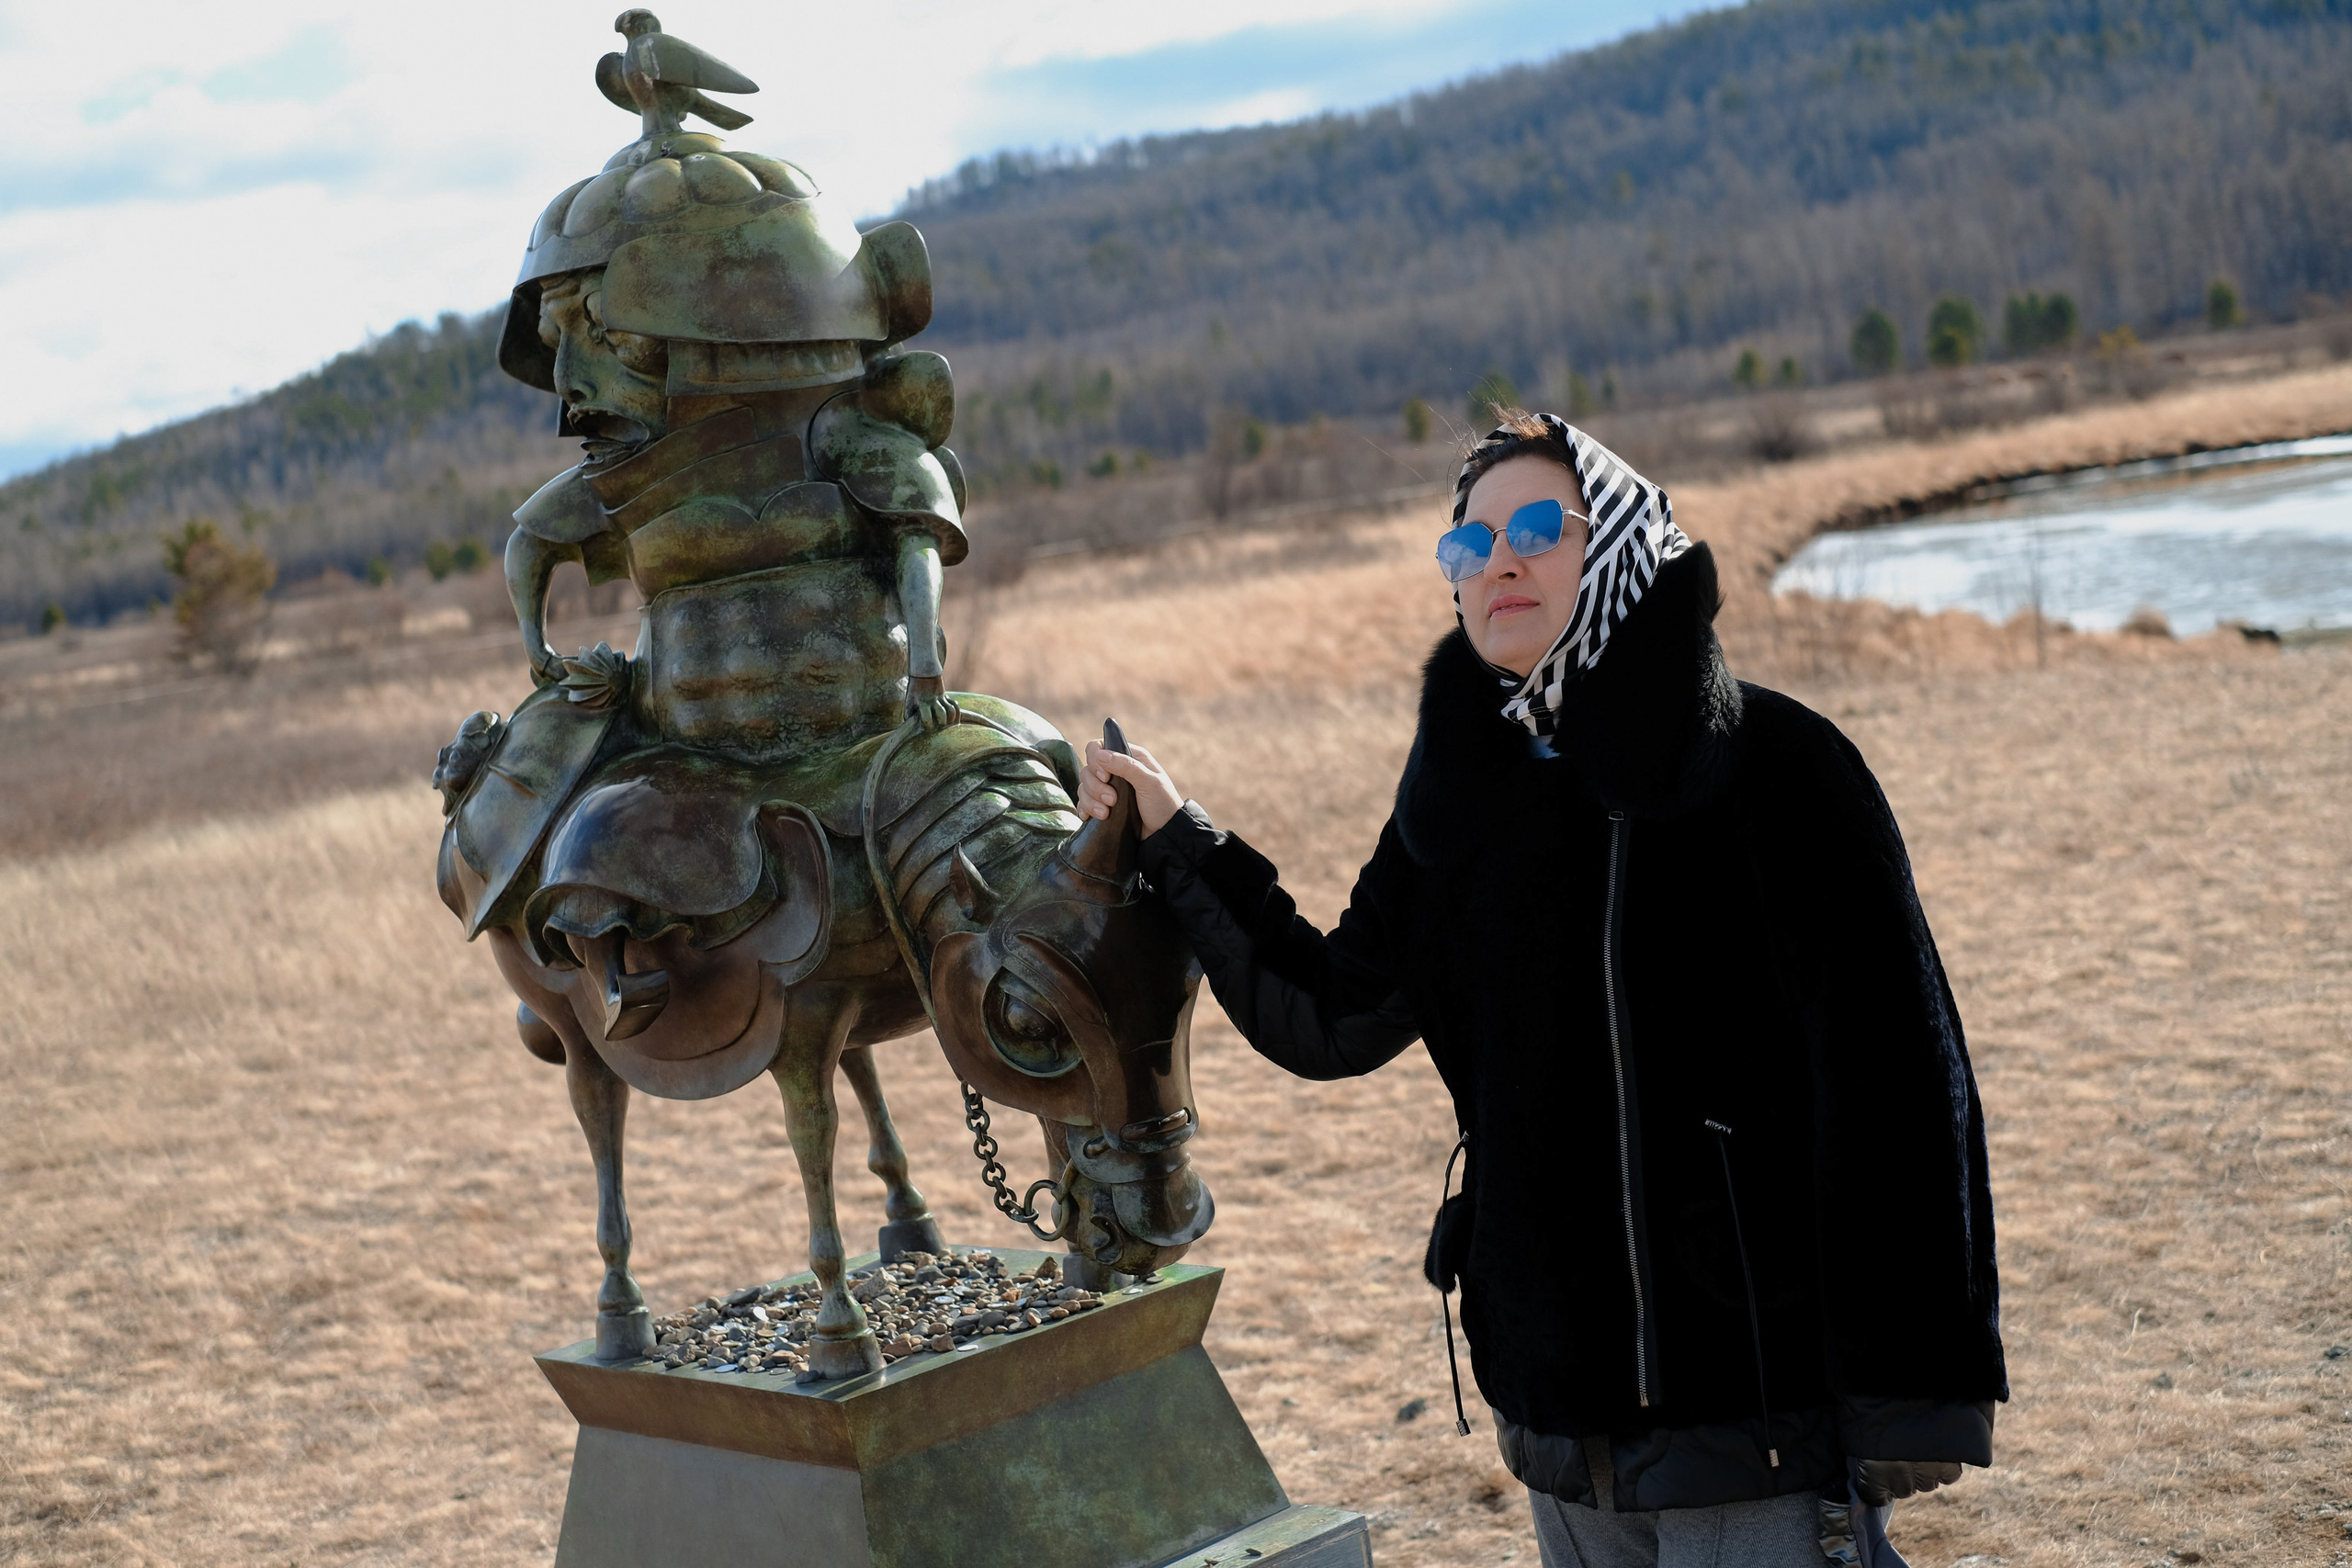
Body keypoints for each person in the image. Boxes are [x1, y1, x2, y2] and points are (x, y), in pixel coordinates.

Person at [1077, 412, 2006, 1566]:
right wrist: (1179, 839)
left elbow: (1902, 1087)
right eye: (1466, 545)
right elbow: (1325, 1012)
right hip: (1561, 1435)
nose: (1496, 561)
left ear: (1617, 540)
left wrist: (1905, 1400)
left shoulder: (1779, 765)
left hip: (1760, 1425)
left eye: (1532, 527)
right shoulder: (1460, 809)